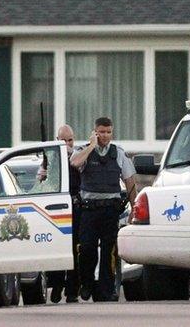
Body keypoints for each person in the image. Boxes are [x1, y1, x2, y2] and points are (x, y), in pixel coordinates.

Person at [70, 117, 136, 302]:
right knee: (87, 249)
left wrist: (134, 209)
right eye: (101, 132)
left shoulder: (118, 153)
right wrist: (91, 146)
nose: (105, 136)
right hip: (89, 211)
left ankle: (107, 290)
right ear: (95, 132)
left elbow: (130, 182)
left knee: (109, 252)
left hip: (110, 210)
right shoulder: (83, 150)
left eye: (108, 132)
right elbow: (74, 163)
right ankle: (87, 283)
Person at [48, 125, 82, 303]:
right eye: (63, 141)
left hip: (75, 207)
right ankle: (57, 285)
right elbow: (42, 179)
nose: (68, 144)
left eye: (70, 140)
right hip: (56, 209)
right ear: (57, 140)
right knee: (58, 247)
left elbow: (78, 164)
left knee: (75, 250)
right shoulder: (50, 158)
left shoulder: (78, 156)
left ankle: (72, 291)